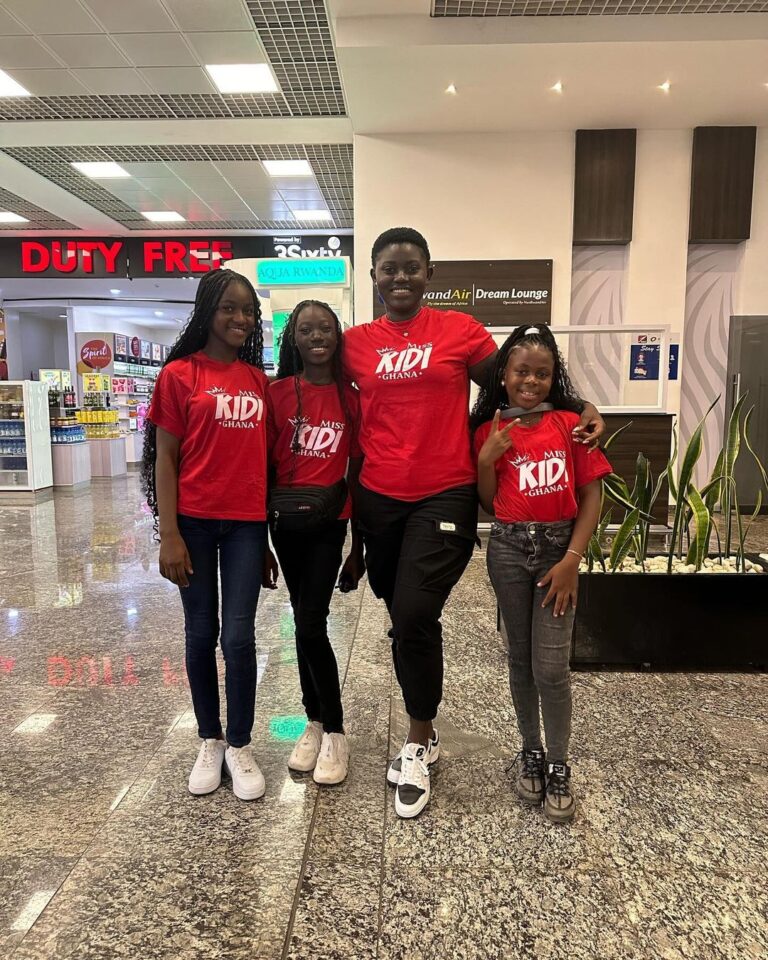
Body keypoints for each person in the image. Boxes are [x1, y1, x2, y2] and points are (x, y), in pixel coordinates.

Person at [343, 227, 606, 819]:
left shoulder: (460, 332)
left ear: (429, 273)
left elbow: (525, 380)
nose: (400, 277)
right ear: (373, 276)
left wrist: (582, 405)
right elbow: (318, 391)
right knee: (399, 611)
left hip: (445, 494)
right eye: (389, 268)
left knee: (414, 613)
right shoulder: (355, 343)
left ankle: (418, 736)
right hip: (380, 499)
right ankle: (425, 724)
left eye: (412, 267)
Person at [471, 324, 612, 822]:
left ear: (555, 378)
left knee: (551, 668)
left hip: (558, 550)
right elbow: (489, 504)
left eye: (542, 373)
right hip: (508, 549)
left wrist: (572, 560)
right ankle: (529, 749)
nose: (531, 381)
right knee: (519, 660)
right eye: (521, 372)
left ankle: (558, 762)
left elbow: (592, 494)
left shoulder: (572, 424)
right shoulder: (489, 428)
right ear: (503, 376)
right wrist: (487, 460)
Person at [141, 268, 271, 801]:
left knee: (237, 638)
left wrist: (264, 538)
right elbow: (164, 459)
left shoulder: (258, 380)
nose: (241, 319)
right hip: (191, 522)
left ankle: (239, 743)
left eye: (249, 312)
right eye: (230, 309)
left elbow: (263, 463)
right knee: (200, 633)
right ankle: (209, 739)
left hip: (245, 526)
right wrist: (168, 532)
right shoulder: (179, 375)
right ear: (207, 311)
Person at [264, 300, 365, 786]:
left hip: (330, 524)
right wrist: (263, 540)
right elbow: (262, 469)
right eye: (306, 329)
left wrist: (358, 548)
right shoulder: (276, 393)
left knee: (309, 621)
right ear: (294, 338)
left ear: (336, 335)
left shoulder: (353, 398)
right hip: (285, 523)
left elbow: (361, 473)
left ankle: (335, 729)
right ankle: (315, 720)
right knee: (303, 619)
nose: (316, 335)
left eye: (324, 327)